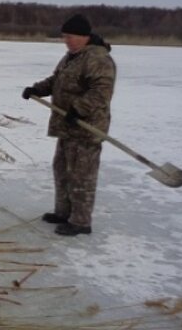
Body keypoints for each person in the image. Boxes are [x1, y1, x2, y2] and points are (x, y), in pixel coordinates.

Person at [22, 14, 116, 236]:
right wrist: (37, 89)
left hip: (86, 128)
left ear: (84, 37)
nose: (67, 40)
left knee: (81, 174)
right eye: (65, 36)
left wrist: (79, 109)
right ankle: (63, 213)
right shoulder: (71, 57)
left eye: (71, 36)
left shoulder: (98, 59)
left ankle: (81, 221)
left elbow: (101, 92)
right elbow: (57, 81)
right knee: (62, 170)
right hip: (67, 127)